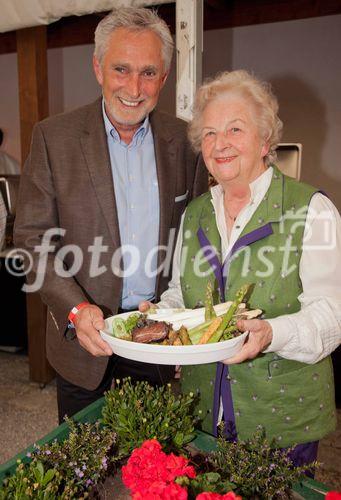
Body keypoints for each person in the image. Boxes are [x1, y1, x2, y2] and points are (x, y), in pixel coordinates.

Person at [14, 7, 207, 423]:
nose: (134, 88)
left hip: (155, 339)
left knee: (152, 467)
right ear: (98, 67)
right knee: (85, 471)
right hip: (83, 343)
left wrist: (185, 323)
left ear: (165, 77)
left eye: (149, 72)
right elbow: (32, 238)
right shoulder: (54, 137)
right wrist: (74, 309)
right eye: (121, 68)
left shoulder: (185, 143)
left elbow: (196, 243)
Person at [140, 70, 341, 467]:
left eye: (235, 129)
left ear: (265, 139)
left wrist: (271, 333)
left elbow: (332, 314)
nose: (220, 144)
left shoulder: (313, 210)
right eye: (210, 133)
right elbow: (182, 293)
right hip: (203, 408)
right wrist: (161, 316)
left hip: (280, 416)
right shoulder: (195, 213)